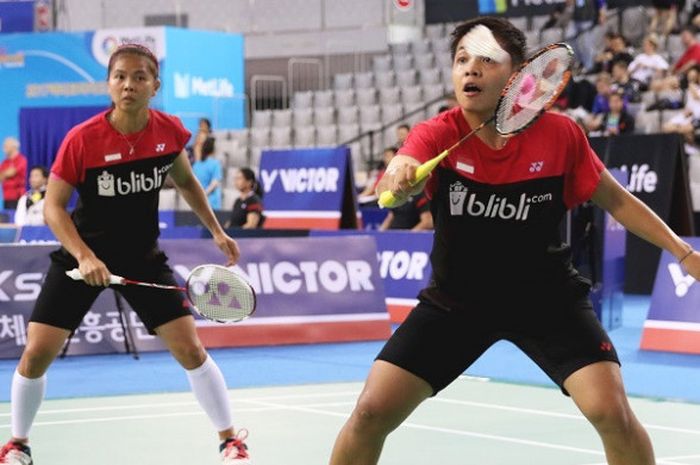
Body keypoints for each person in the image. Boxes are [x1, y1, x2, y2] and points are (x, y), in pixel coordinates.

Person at [329, 17, 700, 465]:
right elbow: (404, 163)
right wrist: (401, 176)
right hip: (456, 303)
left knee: (612, 412)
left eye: (486, 60)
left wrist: (682, 251)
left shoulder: (560, 136)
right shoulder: (438, 133)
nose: (470, 69)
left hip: (547, 299)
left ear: (519, 74)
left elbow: (617, 202)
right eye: (462, 59)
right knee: (370, 412)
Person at [0, 44, 251, 465]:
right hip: (82, 257)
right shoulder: (83, 139)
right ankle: (17, 444)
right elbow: (53, 208)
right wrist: (83, 255)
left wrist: (217, 231)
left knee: (191, 350)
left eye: (139, 77)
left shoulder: (168, 132)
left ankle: (230, 441)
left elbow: (187, 183)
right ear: (109, 83)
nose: (128, 85)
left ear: (155, 85)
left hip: (141, 257)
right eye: (119, 76)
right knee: (36, 353)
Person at [192, 135, 223, 210]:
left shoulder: (196, 165)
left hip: (198, 202)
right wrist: (204, 195)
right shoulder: (216, 164)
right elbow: (214, 183)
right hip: (212, 204)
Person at [0, 137, 28, 210]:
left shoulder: (21, 159)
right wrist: (6, 173)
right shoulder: (4, 162)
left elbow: (12, 172)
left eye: (6, 146)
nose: (3, 148)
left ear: (13, 147)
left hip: (18, 196)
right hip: (7, 196)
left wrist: (5, 173)